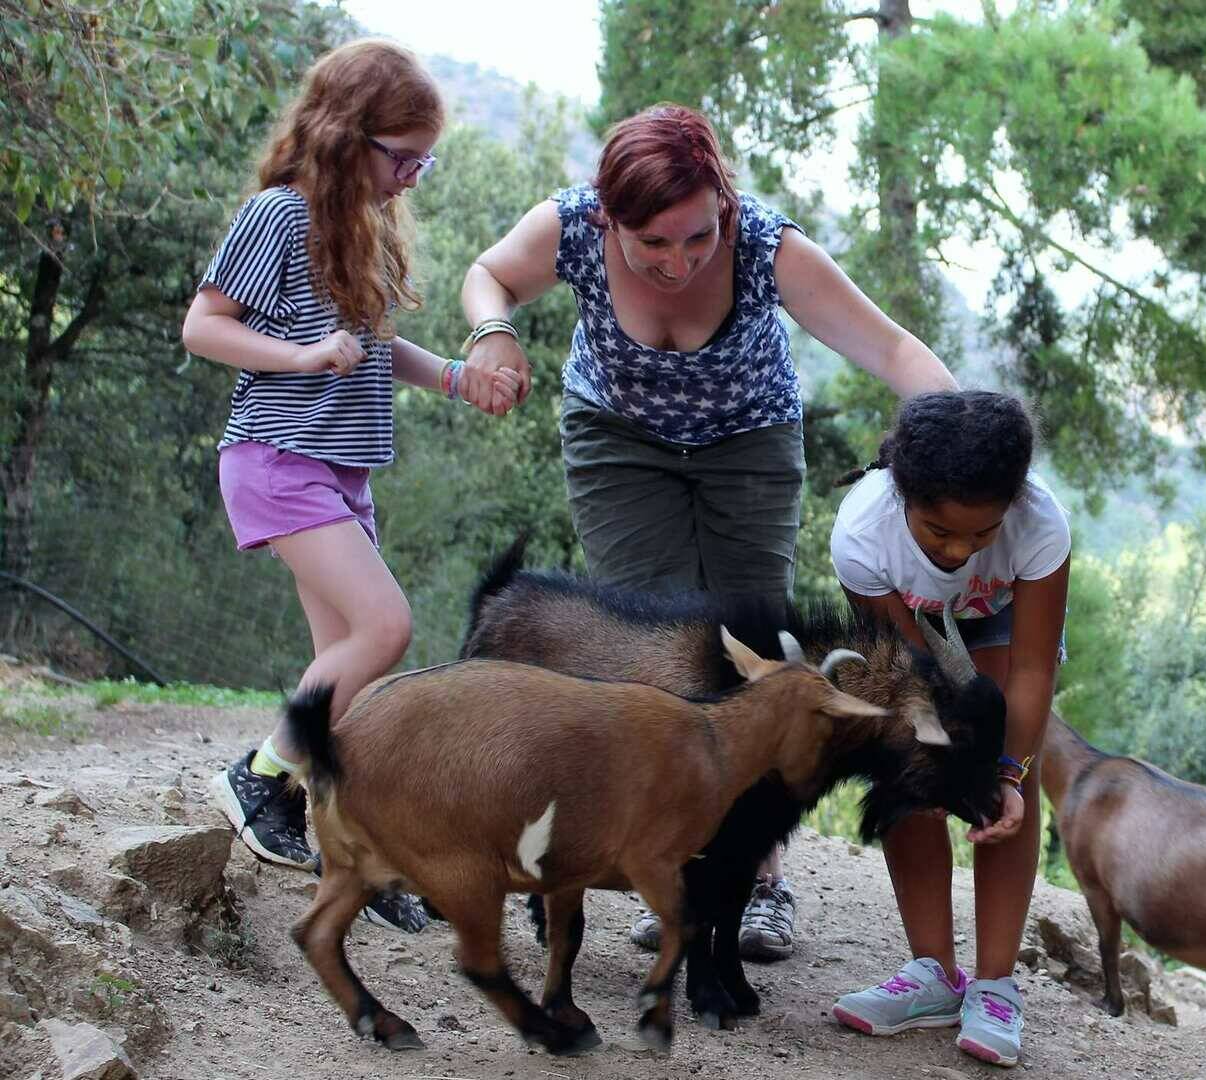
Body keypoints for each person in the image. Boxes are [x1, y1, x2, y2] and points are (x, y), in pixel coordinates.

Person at [458, 103, 957, 958]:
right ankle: (677, 866)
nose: (679, 262)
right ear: (610, 218)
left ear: (723, 204)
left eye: (697, 236)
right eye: (653, 244)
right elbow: (487, 275)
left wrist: (959, 451)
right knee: (654, 655)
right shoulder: (570, 228)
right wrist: (494, 333)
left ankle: (759, 879)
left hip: (749, 446)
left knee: (753, 653)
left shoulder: (767, 246)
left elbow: (898, 354)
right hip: (617, 441)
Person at [186, 39, 519, 932]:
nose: (412, 175)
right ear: (344, 135)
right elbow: (204, 326)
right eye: (400, 155)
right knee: (384, 627)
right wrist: (298, 355)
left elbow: (373, 347)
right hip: (275, 457)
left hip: (339, 470)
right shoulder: (279, 214)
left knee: (356, 679)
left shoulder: (361, 221)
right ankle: (258, 779)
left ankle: (356, 852)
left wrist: (457, 375)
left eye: (424, 158)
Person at [826, 390, 1069, 1067]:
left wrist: (1007, 773)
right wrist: (939, 759)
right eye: (939, 533)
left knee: (1005, 785)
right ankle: (932, 973)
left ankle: (994, 986)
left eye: (982, 533)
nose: (961, 549)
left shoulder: (1040, 523)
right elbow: (915, 675)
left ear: (1012, 506)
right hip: (915, 627)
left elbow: (1030, 670)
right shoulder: (862, 537)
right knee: (911, 761)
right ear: (903, 497)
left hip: (1002, 621)